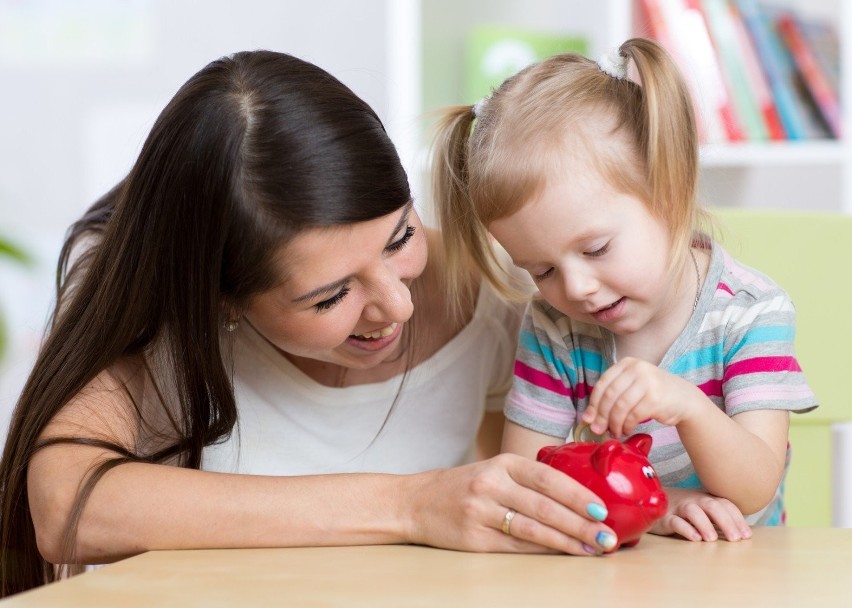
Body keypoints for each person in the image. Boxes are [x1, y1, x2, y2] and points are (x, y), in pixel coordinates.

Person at [0, 50, 621, 598]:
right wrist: (410, 505)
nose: (397, 306)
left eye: (400, 236)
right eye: (330, 297)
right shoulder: (146, 302)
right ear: (224, 301)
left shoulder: (498, 289)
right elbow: (65, 508)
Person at [431, 38, 818, 544]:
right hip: (616, 564)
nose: (575, 288)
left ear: (669, 190)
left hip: (738, 570)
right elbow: (527, 482)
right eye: (542, 270)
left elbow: (754, 489)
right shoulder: (555, 328)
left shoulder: (749, 314)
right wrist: (659, 508)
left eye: (595, 249)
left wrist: (689, 407)